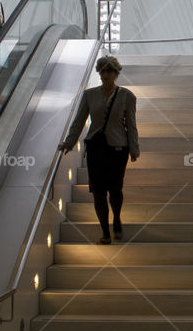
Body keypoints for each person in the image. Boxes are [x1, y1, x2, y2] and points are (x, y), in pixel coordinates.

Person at [58, 56, 139, 244]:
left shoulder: (127, 96)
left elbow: (132, 125)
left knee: (116, 188)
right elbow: (79, 121)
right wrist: (69, 143)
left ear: (116, 74)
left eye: (109, 71)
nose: (105, 75)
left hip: (118, 148)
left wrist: (134, 148)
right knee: (98, 190)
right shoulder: (89, 95)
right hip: (96, 147)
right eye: (102, 71)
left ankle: (116, 218)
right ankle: (105, 232)